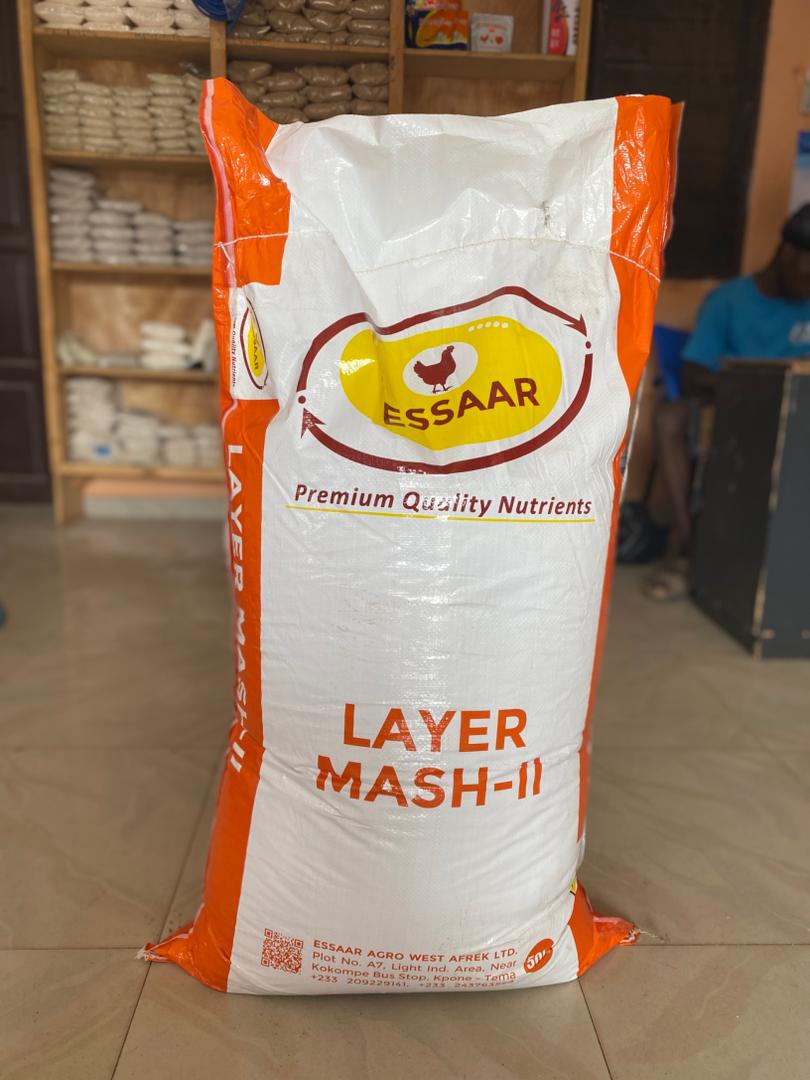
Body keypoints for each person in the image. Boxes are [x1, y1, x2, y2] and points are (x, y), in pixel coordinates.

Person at [645, 203, 810, 600]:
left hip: (801, 418)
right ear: (788, 254)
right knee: (670, 418)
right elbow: (693, 375)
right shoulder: (729, 301)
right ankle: (691, 550)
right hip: (736, 410)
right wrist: (758, 389)